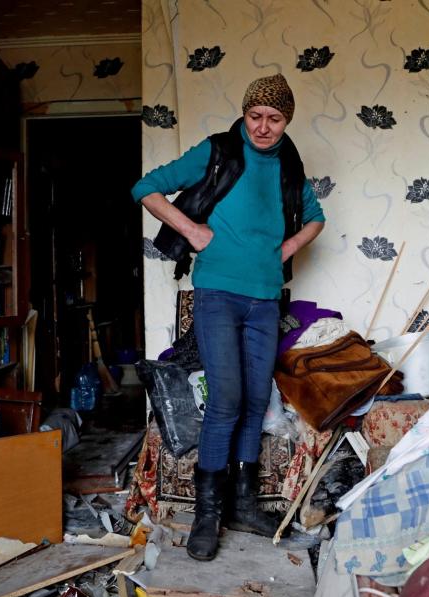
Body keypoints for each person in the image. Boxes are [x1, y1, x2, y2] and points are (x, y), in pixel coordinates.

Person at [131, 73, 325, 561]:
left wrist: (287, 247)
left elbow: (316, 216)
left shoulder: (289, 164)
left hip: (264, 297)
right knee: (227, 398)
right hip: (217, 292)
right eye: (255, 116)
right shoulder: (217, 150)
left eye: (274, 119)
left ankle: (242, 502)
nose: (262, 128)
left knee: (257, 397)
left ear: (287, 122)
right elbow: (146, 188)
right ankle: (208, 513)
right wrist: (192, 230)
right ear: (244, 113)